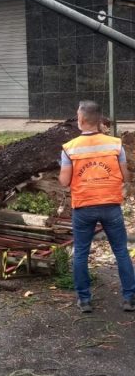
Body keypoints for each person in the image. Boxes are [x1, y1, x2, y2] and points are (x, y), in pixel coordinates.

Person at [58, 100, 135, 313]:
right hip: (111, 206)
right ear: (100, 120)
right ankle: (129, 298)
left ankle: (84, 300)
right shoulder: (115, 144)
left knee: (81, 253)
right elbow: (125, 176)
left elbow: (64, 181)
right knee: (120, 251)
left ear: (81, 120)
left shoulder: (69, 148)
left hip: (83, 207)